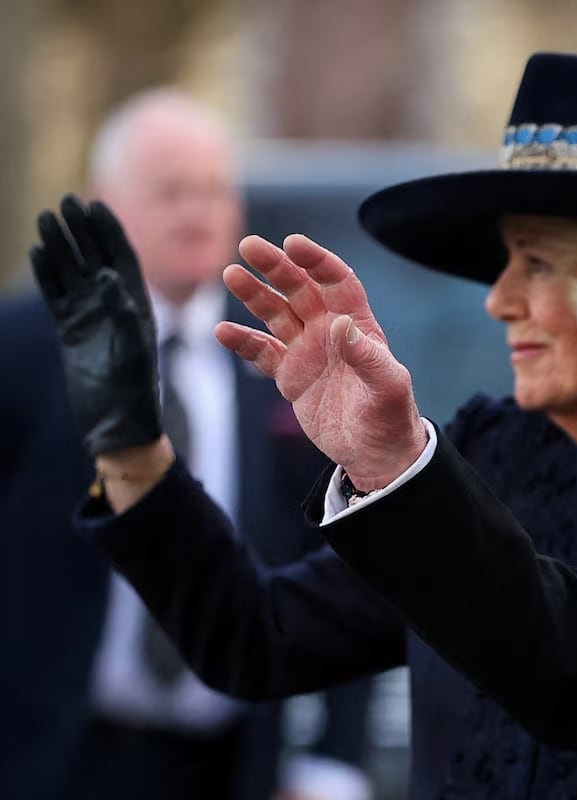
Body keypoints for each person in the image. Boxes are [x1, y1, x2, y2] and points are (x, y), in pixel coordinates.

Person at [30, 56, 577, 799]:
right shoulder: (489, 462)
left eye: (536, 262)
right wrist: (132, 447)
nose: (499, 301)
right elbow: (252, 636)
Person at [2, 89, 374, 800]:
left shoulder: (281, 357)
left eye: (212, 190)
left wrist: (335, 757)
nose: (197, 212)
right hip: (51, 758)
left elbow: (345, 553)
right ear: (100, 205)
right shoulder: (21, 351)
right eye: (170, 191)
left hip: (231, 766)